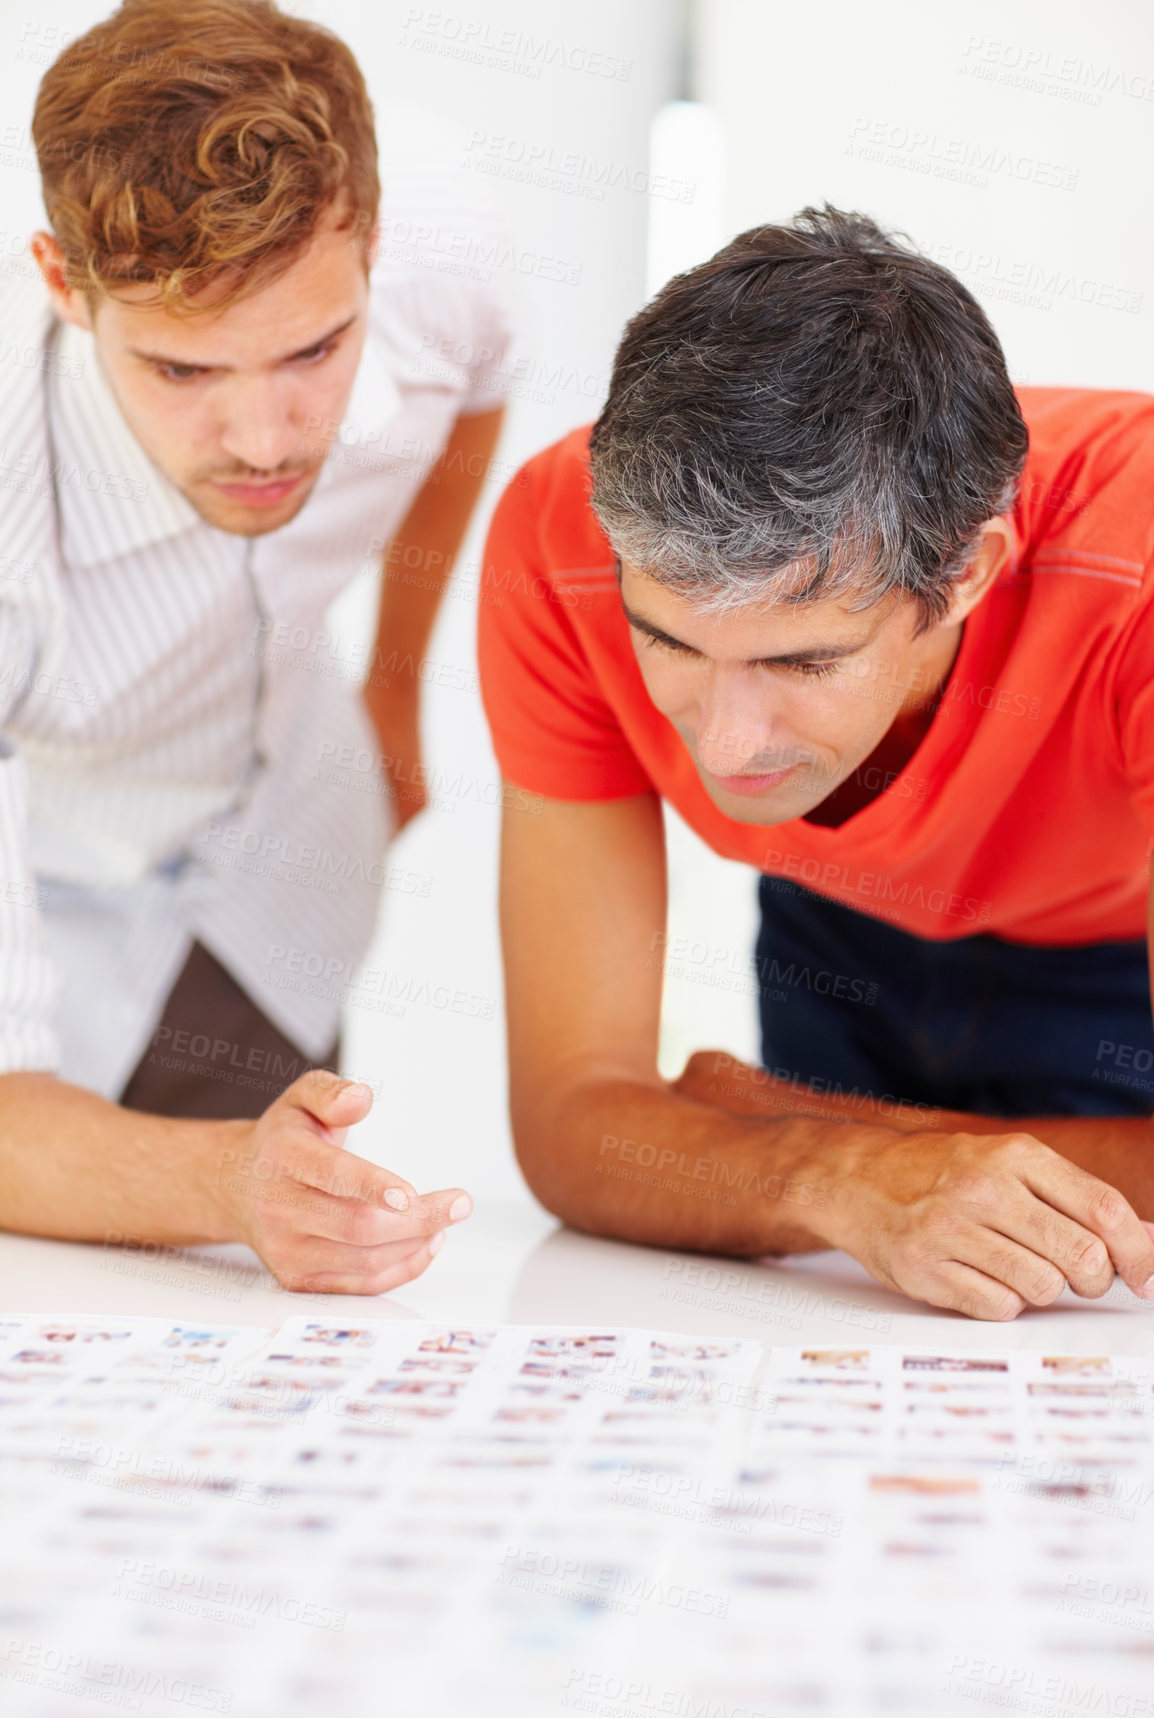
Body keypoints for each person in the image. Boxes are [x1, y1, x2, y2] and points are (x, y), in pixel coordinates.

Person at [478, 206, 1154, 1321]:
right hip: (833, 927)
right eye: (668, 640)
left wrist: (809, 1134)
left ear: (969, 570)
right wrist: (826, 1175)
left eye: (803, 659)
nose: (727, 747)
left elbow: (656, 1138)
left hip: (1104, 972)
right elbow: (571, 1121)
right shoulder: (562, 540)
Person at [0, 0, 513, 1291]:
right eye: (183, 373)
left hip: (288, 860)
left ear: (375, 250)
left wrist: (395, 686)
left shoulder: (440, 240)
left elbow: (478, 386)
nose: (269, 440)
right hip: (53, 904)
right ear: (62, 284)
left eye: (314, 350)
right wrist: (227, 1181)